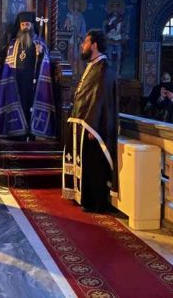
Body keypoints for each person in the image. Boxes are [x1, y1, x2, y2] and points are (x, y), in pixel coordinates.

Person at [62, 29, 118, 212]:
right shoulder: (93, 65)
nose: (82, 46)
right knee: (86, 163)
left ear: (94, 45)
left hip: (94, 127)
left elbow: (100, 98)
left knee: (94, 165)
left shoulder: (104, 68)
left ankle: (95, 203)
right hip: (83, 123)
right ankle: (83, 197)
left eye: (85, 42)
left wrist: (92, 126)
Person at [0, 11, 56, 140]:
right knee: (19, 104)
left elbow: (45, 64)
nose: (25, 27)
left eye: (27, 24)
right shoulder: (13, 43)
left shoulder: (39, 42)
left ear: (32, 25)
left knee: (31, 105)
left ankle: (31, 133)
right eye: (23, 24)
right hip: (16, 82)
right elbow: (7, 62)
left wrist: (41, 54)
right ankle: (18, 134)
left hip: (33, 81)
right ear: (19, 26)